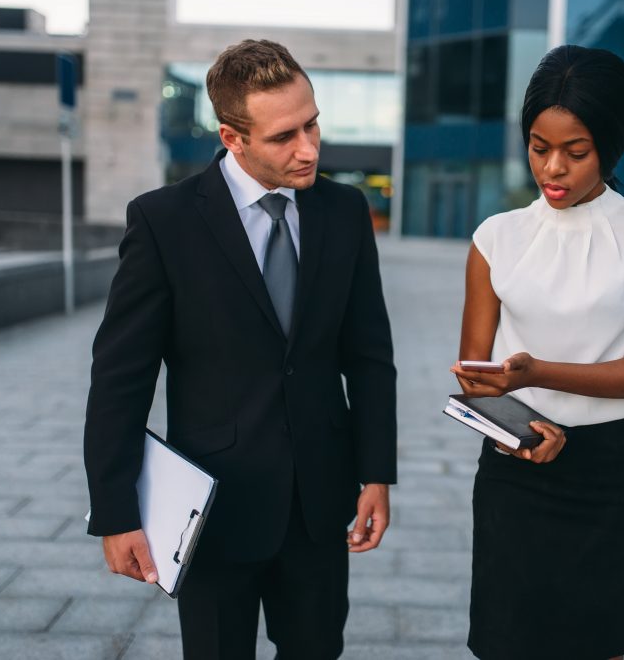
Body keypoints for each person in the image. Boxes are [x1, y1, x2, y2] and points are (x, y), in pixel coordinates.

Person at [83, 39, 397, 660]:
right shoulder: (164, 222)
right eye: (285, 136)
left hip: (319, 503)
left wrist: (376, 472)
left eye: (312, 123)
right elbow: (121, 376)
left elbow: (368, 355)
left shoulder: (344, 210)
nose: (308, 148)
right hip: (213, 509)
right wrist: (115, 511)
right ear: (233, 137)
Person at [450, 45, 624, 660]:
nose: (553, 168)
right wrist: (524, 429)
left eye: (575, 152)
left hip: (612, 472)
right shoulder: (496, 238)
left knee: (598, 645)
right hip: (514, 470)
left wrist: (536, 373)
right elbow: (476, 378)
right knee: (506, 645)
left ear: (610, 145)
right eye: (538, 147)